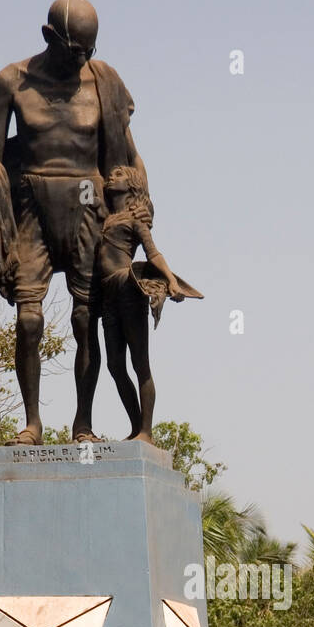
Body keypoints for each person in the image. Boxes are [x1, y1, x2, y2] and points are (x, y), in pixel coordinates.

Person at [0, 0, 147, 445]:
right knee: (29, 318)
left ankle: (82, 423)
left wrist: (136, 208)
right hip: (31, 203)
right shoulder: (11, 81)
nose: (83, 59)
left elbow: (126, 157)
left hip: (88, 201)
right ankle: (32, 423)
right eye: (75, 50)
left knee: (85, 318)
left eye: (90, 49)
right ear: (49, 37)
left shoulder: (103, 82)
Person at [98, 165, 201, 439]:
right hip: (107, 295)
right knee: (115, 365)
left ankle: (146, 431)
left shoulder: (135, 219)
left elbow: (153, 253)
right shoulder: (105, 217)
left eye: (118, 175)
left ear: (131, 186)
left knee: (140, 363)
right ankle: (135, 427)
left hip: (127, 288)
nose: (111, 176)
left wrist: (171, 280)